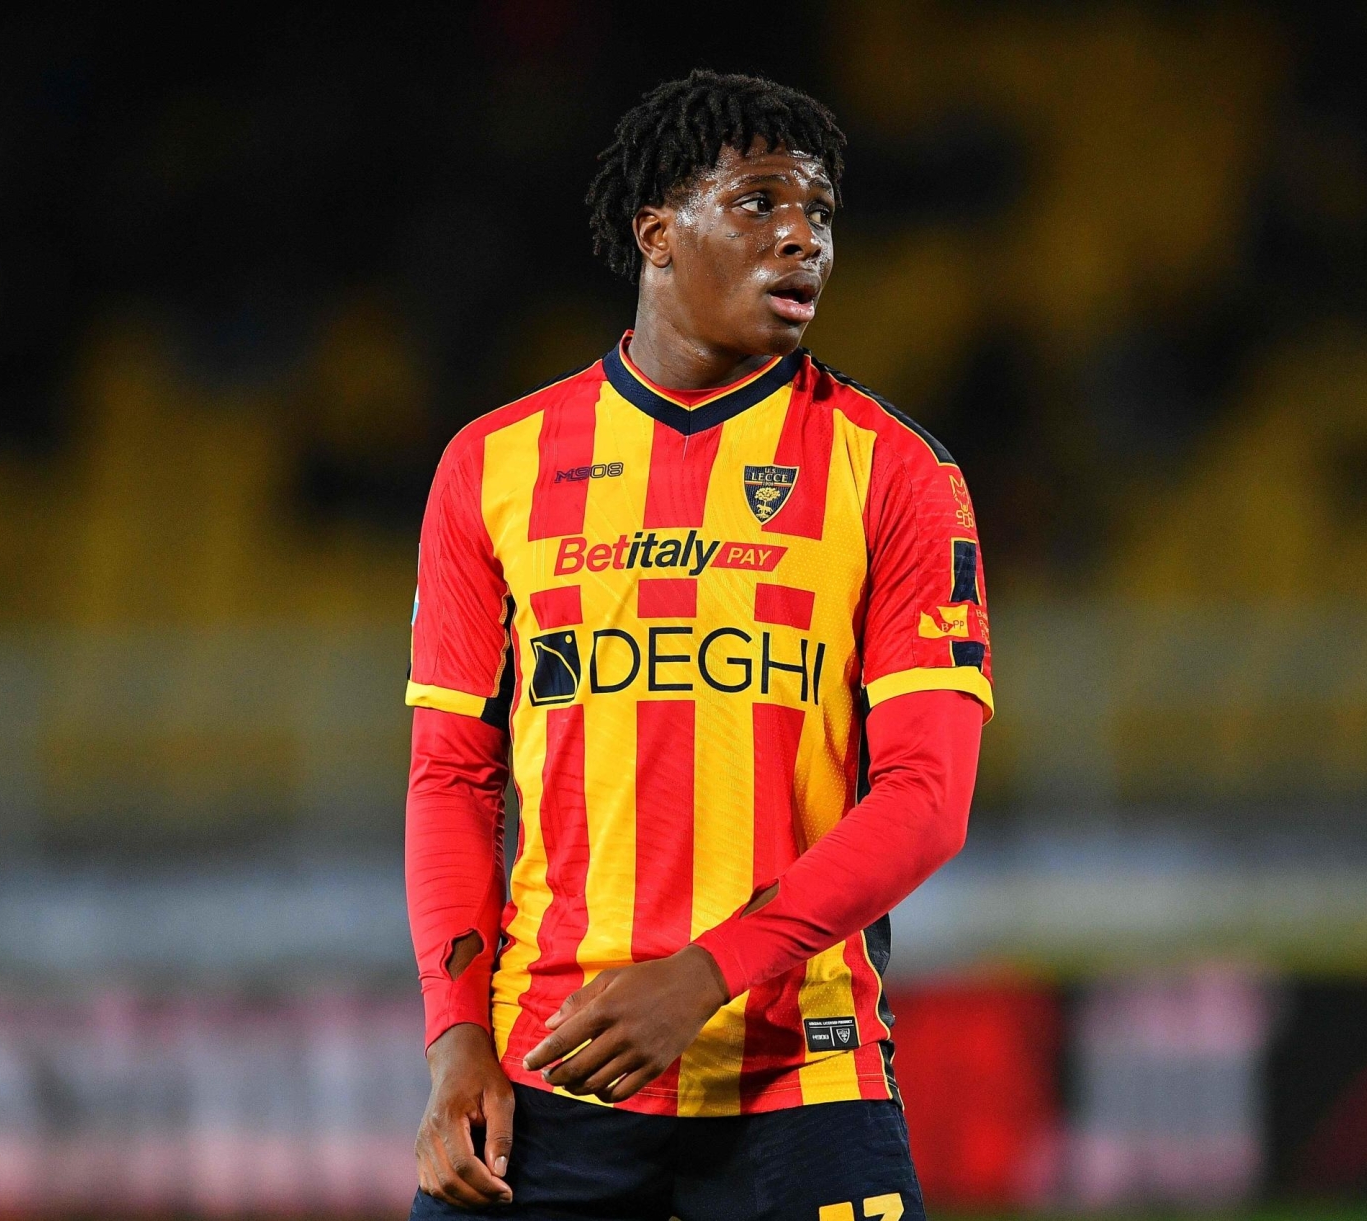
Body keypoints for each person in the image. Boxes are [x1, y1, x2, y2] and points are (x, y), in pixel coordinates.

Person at [403, 70, 991, 1221]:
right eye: (762, 202)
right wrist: (454, 1038)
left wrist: (710, 971)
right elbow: (450, 777)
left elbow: (929, 797)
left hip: (803, 1076)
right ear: (657, 234)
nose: (802, 239)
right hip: (553, 1072)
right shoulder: (494, 465)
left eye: (820, 215)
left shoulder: (901, 475)